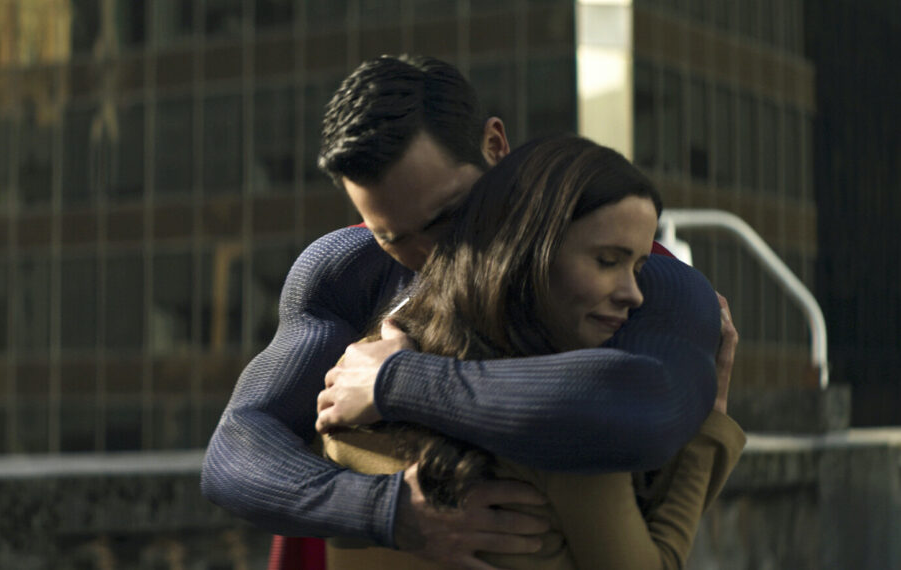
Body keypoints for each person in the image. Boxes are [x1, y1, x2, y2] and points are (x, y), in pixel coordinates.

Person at [201, 55, 736, 568]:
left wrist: (396, 381)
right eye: (392, 236)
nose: (429, 257)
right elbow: (235, 452)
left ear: (495, 147)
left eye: (446, 217)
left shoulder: (631, 278)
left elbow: (644, 410)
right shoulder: (348, 270)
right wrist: (389, 511)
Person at [321, 133, 745, 569]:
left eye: (637, 267)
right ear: (527, 253)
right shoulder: (569, 427)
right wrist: (707, 432)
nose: (634, 295)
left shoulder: (355, 374)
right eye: (606, 261)